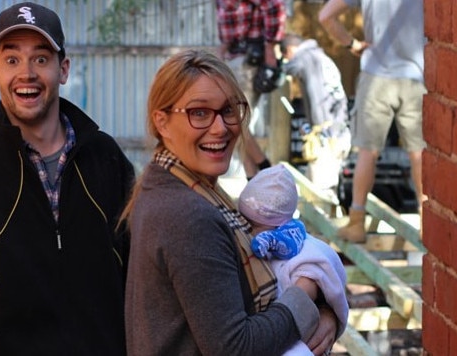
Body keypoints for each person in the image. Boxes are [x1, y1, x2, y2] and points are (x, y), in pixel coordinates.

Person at [0, 3, 135, 355]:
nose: (27, 73)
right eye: (12, 59)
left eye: (41, 59)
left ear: (63, 69)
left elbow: (137, 286)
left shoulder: (107, 160)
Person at [123, 49, 338, 355]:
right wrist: (308, 289)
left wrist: (322, 312)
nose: (220, 127)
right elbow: (235, 347)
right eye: (199, 113)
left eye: (228, 110)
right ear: (162, 122)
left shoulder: (172, 186)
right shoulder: (187, 214)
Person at [319, 0, 426, 242]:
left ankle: (356, 223)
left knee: (368, 152)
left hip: (376, 76)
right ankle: (427, 221)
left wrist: (352, 44)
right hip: (416, 77)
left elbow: (326, 16)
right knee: (419, 153)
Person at [239, 164, 349, 355]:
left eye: (253, 226)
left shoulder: (298, 248)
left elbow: (322, 265)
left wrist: (325, 307)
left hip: (286, 332)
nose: (248, 233)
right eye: (245, 223)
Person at [216, 0, 288, 179]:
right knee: (236, 124)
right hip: (233, 56)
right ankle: (253, 179)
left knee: (235, 121)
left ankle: (265, 168)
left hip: (248, 58)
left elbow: (274, 5)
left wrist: (270, 47)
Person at [280, 33, 351, 199]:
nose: (287, 60)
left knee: (320, 195)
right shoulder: (320, 57)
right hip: (338, 130)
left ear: (290, 49)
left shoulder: (306, 57)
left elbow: (288, 68)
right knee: (324, 189)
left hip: (327, 137)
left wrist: (274, 63)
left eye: (286, 56)